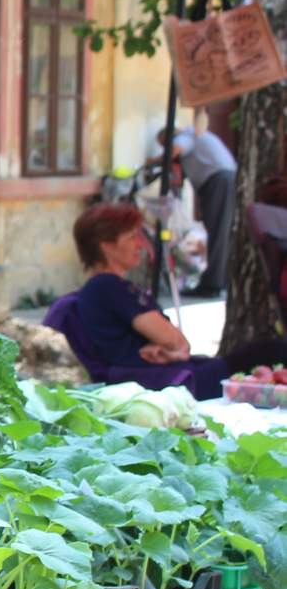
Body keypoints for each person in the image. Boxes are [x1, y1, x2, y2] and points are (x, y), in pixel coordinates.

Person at [73, 203, 287, 399]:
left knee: (268, 354)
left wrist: (173, 350)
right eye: (131, 237)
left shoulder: (105, 287)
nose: (140, 243)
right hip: (173, 382)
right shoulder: (107, 286)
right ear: (107, 246)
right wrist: (173, 349)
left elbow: (180, 346)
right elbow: (174, 341)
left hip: (174, 373)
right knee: (273, 352)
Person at [157, 109, 237, 297]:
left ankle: (213, 284)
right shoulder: (198, 136)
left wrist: (154, 161)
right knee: (222, 231)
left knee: (218, 232)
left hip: (219, 182)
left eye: (163, 145)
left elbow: (176, 149)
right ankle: (220, 280)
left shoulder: (185, 136)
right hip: (224, 181)